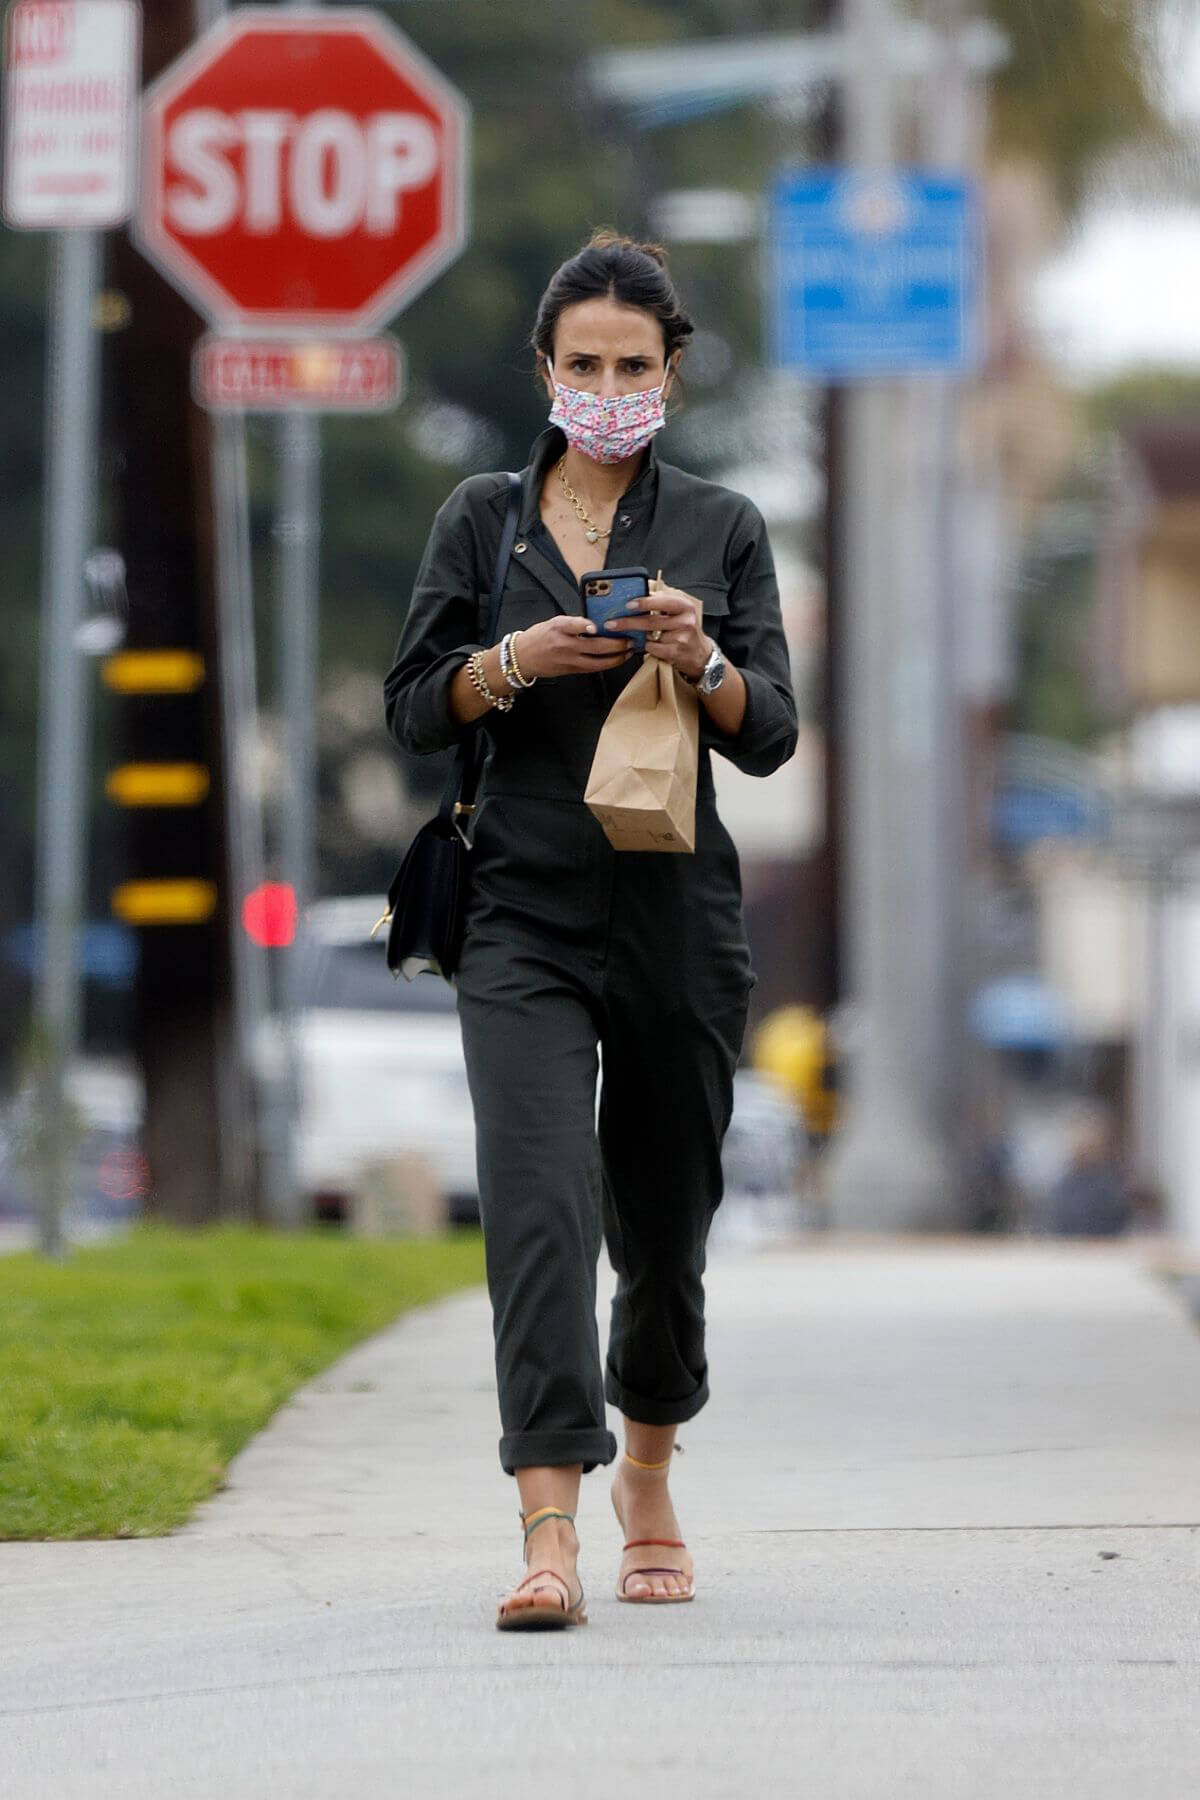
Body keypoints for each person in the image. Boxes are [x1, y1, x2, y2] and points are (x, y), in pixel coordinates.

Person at [384, 232, 797, 1630]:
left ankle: (652, 1468)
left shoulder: (722, 527)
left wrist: (705, 658)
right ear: (546, 373)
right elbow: (409, 707)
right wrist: (505, 665)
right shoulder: (480, 520)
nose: (608, 386)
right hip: (521, 910)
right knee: (542, 1212)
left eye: (633, 364)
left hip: (678, 912)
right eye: (584, 365)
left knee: (666, 1216)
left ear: (671, 370)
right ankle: (548, 1526)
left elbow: (777, 736)